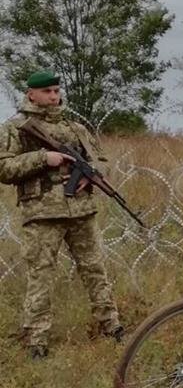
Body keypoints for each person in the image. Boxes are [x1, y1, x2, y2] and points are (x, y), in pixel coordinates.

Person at [0, 70, 123, 359]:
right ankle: (36, 339)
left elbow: (99, 160)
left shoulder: (74, 127)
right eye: (47, 92)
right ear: (31, 94)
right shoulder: (16, 128)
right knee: (41, 274)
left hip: (80, 209)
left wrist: (89, 176)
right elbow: (4, 168)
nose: (54, 97)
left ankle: (111, 325)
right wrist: (43, 158)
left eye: (56, 91)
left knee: (95, 268)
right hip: (42, 212)